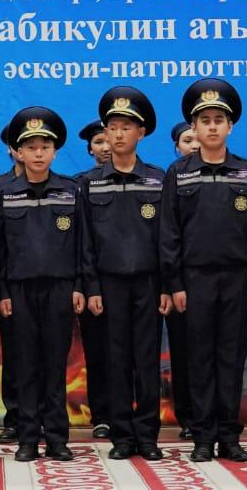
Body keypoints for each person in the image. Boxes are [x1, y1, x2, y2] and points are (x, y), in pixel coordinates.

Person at [160, 79, 247, 463]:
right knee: (199, 359)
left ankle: (229, 435)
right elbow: (169, 233)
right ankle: (203, 436)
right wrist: (174, 283)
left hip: (237, 279)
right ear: (194, 127)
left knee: (232, 359)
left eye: (219, 120)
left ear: (230, 126)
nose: (213, 127)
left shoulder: (246, 172)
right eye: (205, 121)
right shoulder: (179, 173)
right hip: (194, 280)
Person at [80, 86, 168, 461]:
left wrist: (167, 286)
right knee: (115, 359)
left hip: (148, 282)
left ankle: (147, 435)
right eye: (112, 127)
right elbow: (84, 241)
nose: (118, 135)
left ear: (141, 133)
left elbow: (167, 238)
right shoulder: (89, 183)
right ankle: (121, 435)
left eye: (126, 127)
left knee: (146, 359)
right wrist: (92, 286)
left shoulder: (158, 179)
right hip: (108, 283)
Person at [0, 107, 82, 462]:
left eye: (44, 147)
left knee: (55, 365)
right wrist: (1, 291)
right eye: (30, 147)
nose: (37, 153)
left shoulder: (70, 190)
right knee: (25, 365)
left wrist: (79, 285)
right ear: (18, 152)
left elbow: (82, 244)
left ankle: (57, 438)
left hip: (59, 289)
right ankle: (28, 437)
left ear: (55, 151)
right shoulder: (4, 193)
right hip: (19, 291)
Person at [73, 120, 110, 439]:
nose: (106, 146)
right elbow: (77, 240)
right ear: (90, 150)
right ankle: (102, 415)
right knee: (97, 351)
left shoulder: (144, 179)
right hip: (92, 280)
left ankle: (131, 413)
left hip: (131, 280)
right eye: (98, 142)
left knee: (133, 351)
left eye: (108, 139)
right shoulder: (78, 186)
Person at [0, 124, 22, 445]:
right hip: (10, 284)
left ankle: (44, 416)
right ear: (12, 149)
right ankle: (15, 418)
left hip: (44, 282)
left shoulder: (59, 187)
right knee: (14, 353)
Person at [164, 120, 197, 439]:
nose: (194, 144)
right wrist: (172, 283)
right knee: (185, 352)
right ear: (177, 147)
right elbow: (167, 235)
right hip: (182, 282)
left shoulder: (237, 172)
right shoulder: (173, 176)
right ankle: (189, 417)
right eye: (187, 140)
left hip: (223, 279)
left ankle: (221, 420)